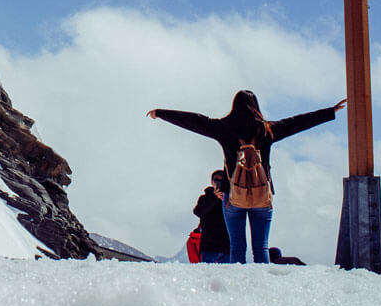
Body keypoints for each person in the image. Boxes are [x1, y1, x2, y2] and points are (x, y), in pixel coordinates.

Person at [148, 90, 346, 264]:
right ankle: (262, 289)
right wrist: (330, 112)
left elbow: (195, 121)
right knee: (261, 247)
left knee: (237, 247)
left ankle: (239, 289)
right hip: (262, 195)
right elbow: (298, 122)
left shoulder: (223, 127)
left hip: (233, 196)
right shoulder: (267, 130)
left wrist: (162, 113)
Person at [193, 169, 230, 263]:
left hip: (226, 247)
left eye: (221, 180)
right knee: (208, 274)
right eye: (216, 180)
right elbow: (198, 212)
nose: (219, 183)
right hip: (209, 246)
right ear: (212, 182)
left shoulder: (231, 198)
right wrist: (214, 197)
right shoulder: (205, 197)